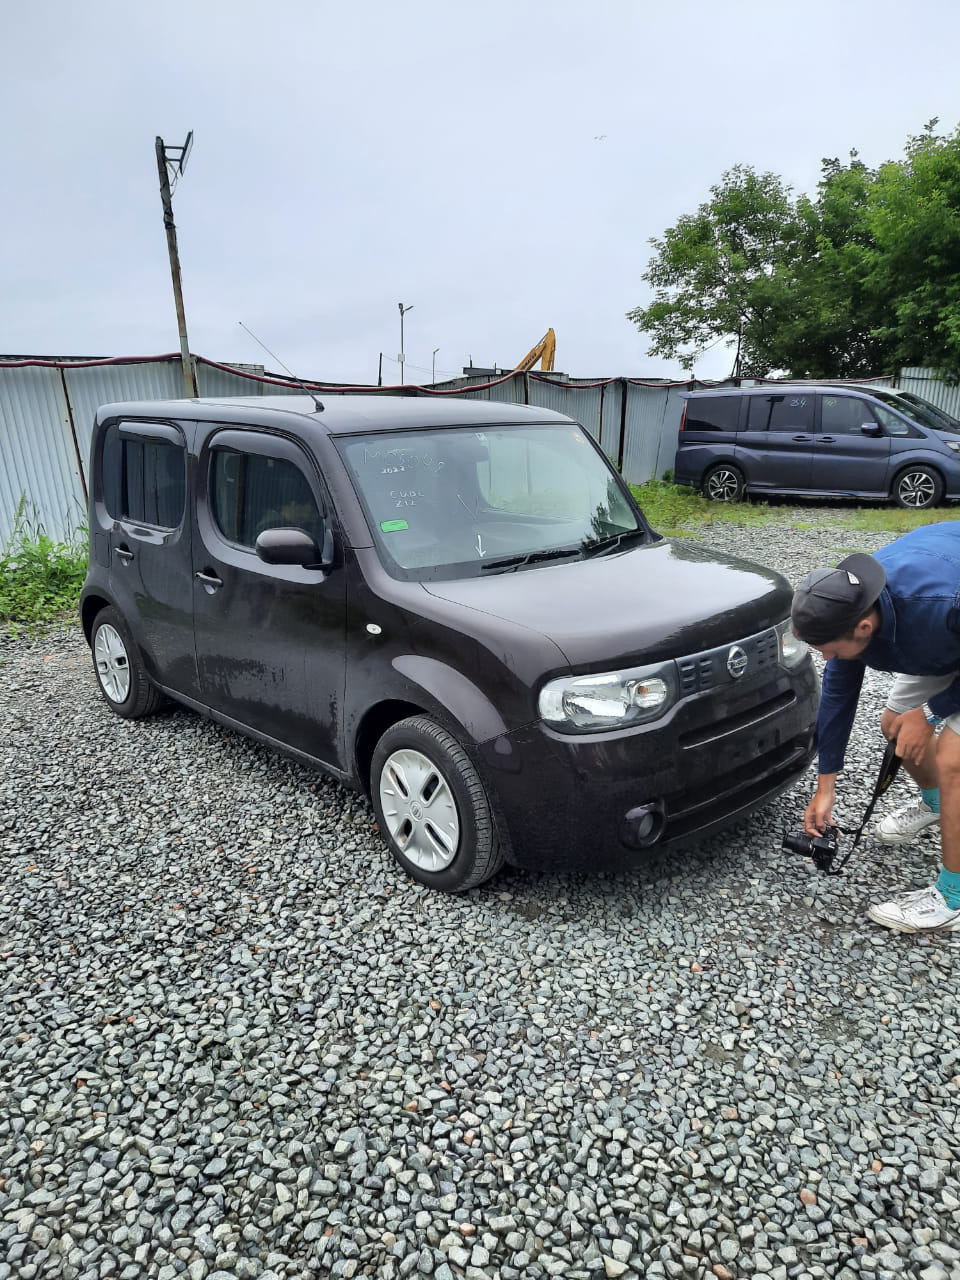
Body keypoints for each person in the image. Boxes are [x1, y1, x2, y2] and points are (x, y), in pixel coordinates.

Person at [790, 523, 960, 933]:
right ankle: (938, 808)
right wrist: (826, 784)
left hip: (947, 620)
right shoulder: (851, 606)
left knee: (952, 758)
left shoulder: (943, 604)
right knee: (893, 726)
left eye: (829, 650)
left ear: (864, 628)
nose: (826, 659)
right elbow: (839, 693)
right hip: (948, 640)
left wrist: (933, 711)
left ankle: (953, 899)